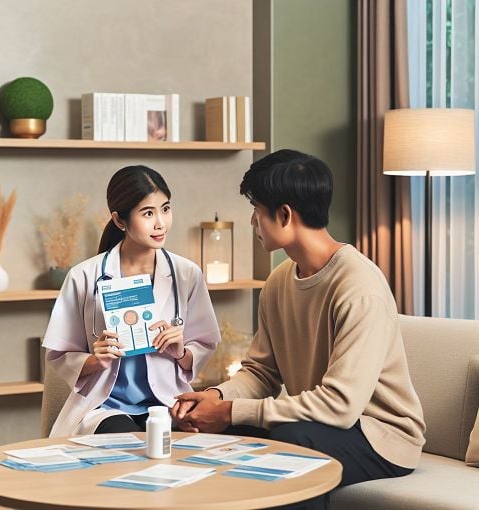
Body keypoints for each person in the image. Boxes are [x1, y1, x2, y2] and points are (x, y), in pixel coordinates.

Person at [173, 150, 426, 508]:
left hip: (380, 436)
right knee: (209, 430)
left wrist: (231, 411)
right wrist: (216, 398)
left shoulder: (359, 288)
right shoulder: (279, 282)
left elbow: (341, 405)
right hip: (321, 422)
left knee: (291, 443)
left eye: (256, 210)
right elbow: (261, 373)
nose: (252, 222)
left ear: (285, 215)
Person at [43, 165, 220, 437]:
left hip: (166, 403)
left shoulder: (187, 274)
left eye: (166, 208)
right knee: (124, 442)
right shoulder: (84, 276)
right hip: (106, 407)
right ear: (120, 220)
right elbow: (59, 354)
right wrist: (95, 360)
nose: (160, 223)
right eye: (148, 213)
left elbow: (204, 345)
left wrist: (180, 351)